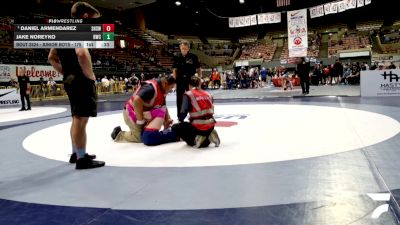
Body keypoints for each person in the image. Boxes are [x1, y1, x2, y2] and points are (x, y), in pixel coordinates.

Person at [48, 1, 105, 169]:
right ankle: (82, 159)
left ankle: (76, 153)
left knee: (76, 118)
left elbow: (51, 56)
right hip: (81, 79)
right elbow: (81, 52)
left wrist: (64, 72)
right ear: (85, 17)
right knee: (81, 119)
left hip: (69, 78)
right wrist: (89, 74)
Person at [111, 74, 178, 146]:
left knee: (149, 130)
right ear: (165, 83)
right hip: (131, 113)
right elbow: (137, 101)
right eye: (171, 88)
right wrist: (141, 120)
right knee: (141, 137)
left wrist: (167, 119)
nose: (170, 91)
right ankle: (119, 134)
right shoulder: (151, 88)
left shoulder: (161, 89)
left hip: (142, 113)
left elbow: (163, 106)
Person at [172, 76, 220, 148]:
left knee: (175, 127)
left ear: (189, 85)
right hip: (211, 124)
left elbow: (183, 113)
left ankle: (197, 138)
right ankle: (210, 134)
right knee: (205, 132)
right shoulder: (208, 94)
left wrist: (180, 120)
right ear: (199, 83)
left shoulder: (188, 94)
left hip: (198, 126)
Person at [172, 40, 202, 118]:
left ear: (188, 48)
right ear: (180, 48)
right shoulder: (176, 57)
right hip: (180, 80)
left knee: (193, 98)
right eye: (182, 48)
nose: (183, 50)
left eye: (185, 48)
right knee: (179, 99)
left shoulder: (193, 57)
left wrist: (199, 80)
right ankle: (180, 117)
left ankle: (194, 116)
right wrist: (175, 83)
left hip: (191, 80)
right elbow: (174, 70)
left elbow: (199, 69)